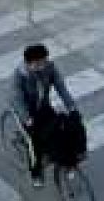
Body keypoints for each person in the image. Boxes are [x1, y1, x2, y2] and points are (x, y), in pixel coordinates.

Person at [10, 42, 78, 188]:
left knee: (61, 130)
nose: (43, 66)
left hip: (44, 106)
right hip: (28, 111)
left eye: (44, 61)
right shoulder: (19, 76)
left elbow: (61, 87)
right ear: (29, 64)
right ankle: (36, 173)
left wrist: (71, 105)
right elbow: (17, 98)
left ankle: (67, 162)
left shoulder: (50, 67)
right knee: (34, 144)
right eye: (38, 63)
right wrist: (26, 118)